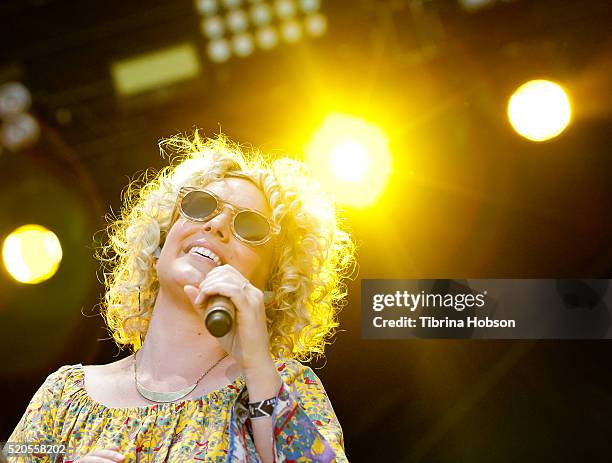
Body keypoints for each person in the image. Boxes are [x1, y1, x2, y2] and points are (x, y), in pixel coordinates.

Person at [7, 133, 356, 463]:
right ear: (160, 240)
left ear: (272, 284)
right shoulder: (63, 398)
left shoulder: (281, 386)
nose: (216, 225)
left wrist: (256, 364)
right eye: (201, 206)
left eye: (249, 227)